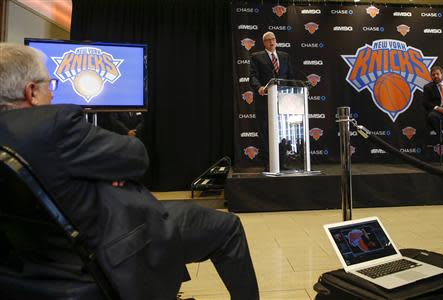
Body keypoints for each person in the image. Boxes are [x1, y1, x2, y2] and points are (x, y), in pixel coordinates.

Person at [0, 43, 259, 300]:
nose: (53, 95)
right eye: (49, 85)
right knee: (228, 228)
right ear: (31, 92)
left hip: (39, 263)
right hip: (115, 242)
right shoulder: (53, 125)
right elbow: (135, 156)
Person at [249, 32, 294, 168]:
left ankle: (281, 162)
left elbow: (290, 76)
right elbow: (252, 76)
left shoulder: (285, 56)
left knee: (282, 132)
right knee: (265, 133)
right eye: (268, 40)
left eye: (273, 39)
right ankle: (269, 163)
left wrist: (293, 92)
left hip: (282, 101)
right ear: (264, 43)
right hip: (264, 101)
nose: (271, 42)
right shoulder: (256, 57)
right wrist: (259, 88)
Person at [422, 66, 443, 144]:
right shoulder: (428, 87)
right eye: (433, 75)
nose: (435, 76)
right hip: (439, 111)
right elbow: (425, 102)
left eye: (437, 74)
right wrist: (438, 108)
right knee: (431, 116)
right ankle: (442, 138)